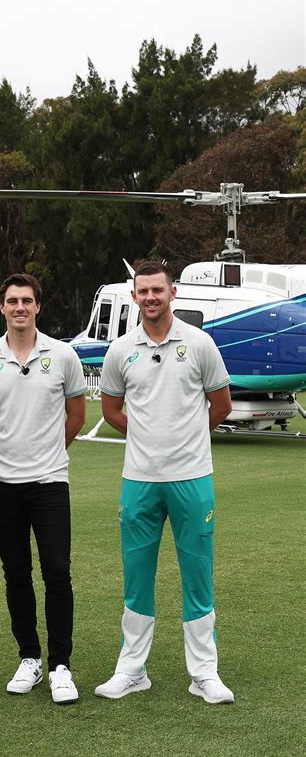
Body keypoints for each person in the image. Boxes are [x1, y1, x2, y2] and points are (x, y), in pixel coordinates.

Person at [95, 260, 235, 704]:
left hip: (192, 479)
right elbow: (111, 409)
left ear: (172, 292)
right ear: (134, 296)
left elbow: (222, 404)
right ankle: (132, 670)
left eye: (158, 290)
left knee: (198, 577)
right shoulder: (121, 350)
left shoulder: (200, 343)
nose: (151, 297)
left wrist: (186, 439)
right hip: (139, 481)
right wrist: (147, 438)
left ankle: (204, 673)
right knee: (137, 578)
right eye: (143, 291)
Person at [0, 273, 86, 705]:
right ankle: (30, 657)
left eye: (27, 301)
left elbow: (76, 415)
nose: (20, 307)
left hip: (50, 482)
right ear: (2, 307)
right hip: (2, 484)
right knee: (16, 573)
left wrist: (49, 451)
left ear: (38, 306)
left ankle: (60, 666)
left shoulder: (64, 355)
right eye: (12, 301)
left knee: (57, 572)